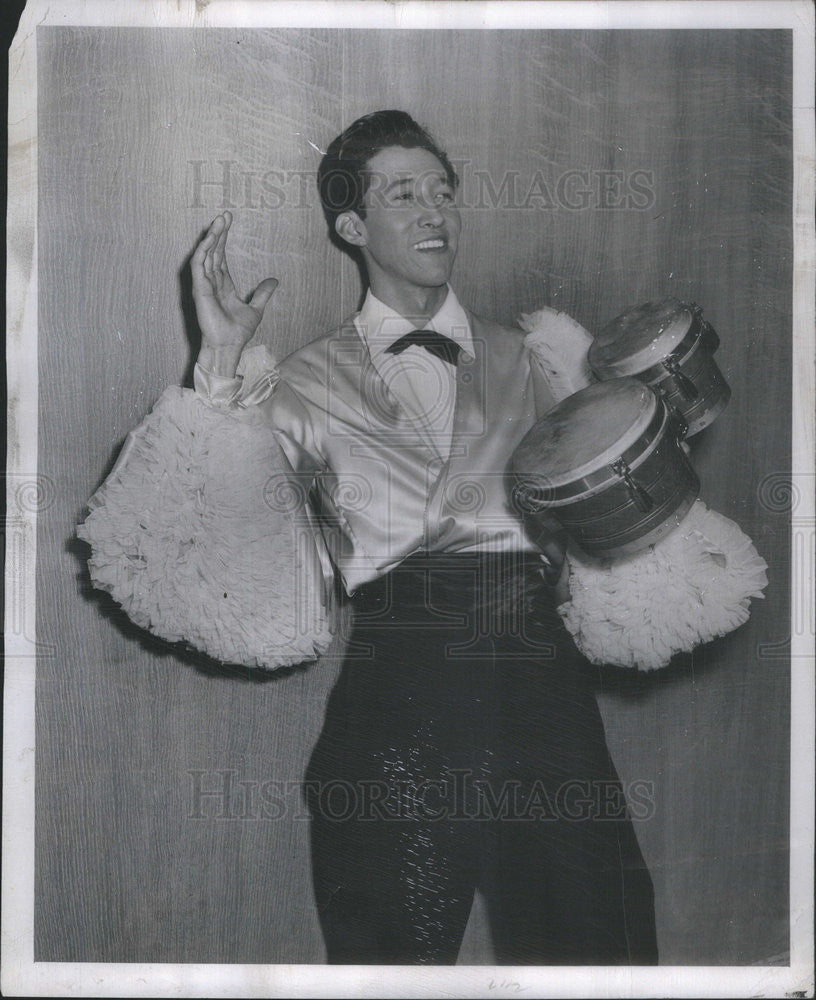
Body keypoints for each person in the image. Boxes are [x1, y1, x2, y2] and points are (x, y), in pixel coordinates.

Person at [189, 109, 658, 965]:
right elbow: (223, 531)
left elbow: (620, 527)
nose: (434, 211)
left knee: (601, 949)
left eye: (443, 191)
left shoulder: (539, 360)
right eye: (403, 194)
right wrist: (222, 368)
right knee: (388, 964)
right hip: (395, 704)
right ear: (352, 225)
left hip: (543, 698)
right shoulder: (295, 382)